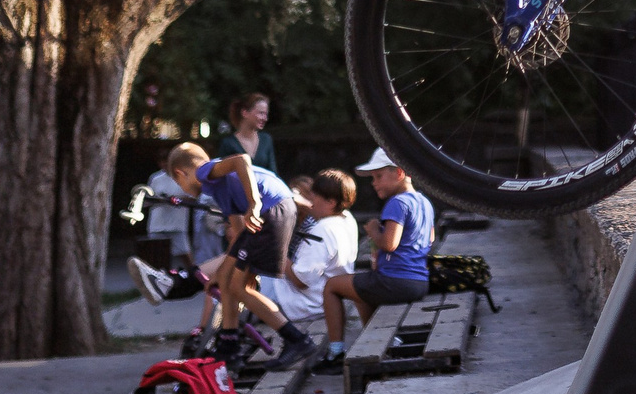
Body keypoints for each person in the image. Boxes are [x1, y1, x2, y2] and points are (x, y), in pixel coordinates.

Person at [162, 141, 315, 365]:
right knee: (226, 278)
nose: (183, 189)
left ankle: (297, 339)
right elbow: (239, 234)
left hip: (272, 210)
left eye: (179, 183)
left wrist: (254, 203)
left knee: (239, 287)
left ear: (180, 173)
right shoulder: (220, 189)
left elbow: (241, 160)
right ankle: (229, 346)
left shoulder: (204, 171)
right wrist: (220, 272)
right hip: (274, 210)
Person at [321, 148, 433, 341]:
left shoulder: (397, 202)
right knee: (359, 289)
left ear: (399, 172)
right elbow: (430, 239)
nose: (374, 183)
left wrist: (374, 230)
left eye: (379, 176)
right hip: (420, 280)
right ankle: (375, 337)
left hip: (396, 281)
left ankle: (335, 349)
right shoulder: (424, 202)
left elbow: (389, 244)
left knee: (332, 286)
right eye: (373, 178)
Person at [257, 171, 360, 360]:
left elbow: (300, 280)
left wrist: (278, 249)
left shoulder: (322, 230)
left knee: (239, 282)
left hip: (308, 302)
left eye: (314, 197)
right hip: (325, 294)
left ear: (331, 202)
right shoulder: (346, 218)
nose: (310, 202)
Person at [223, 93, 277, 175]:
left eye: (266, 114)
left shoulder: (266, 140)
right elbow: (222, 175)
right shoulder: (228, 143)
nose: (265, 118)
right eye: (261, 113)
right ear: (245, 113)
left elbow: (273, 174)